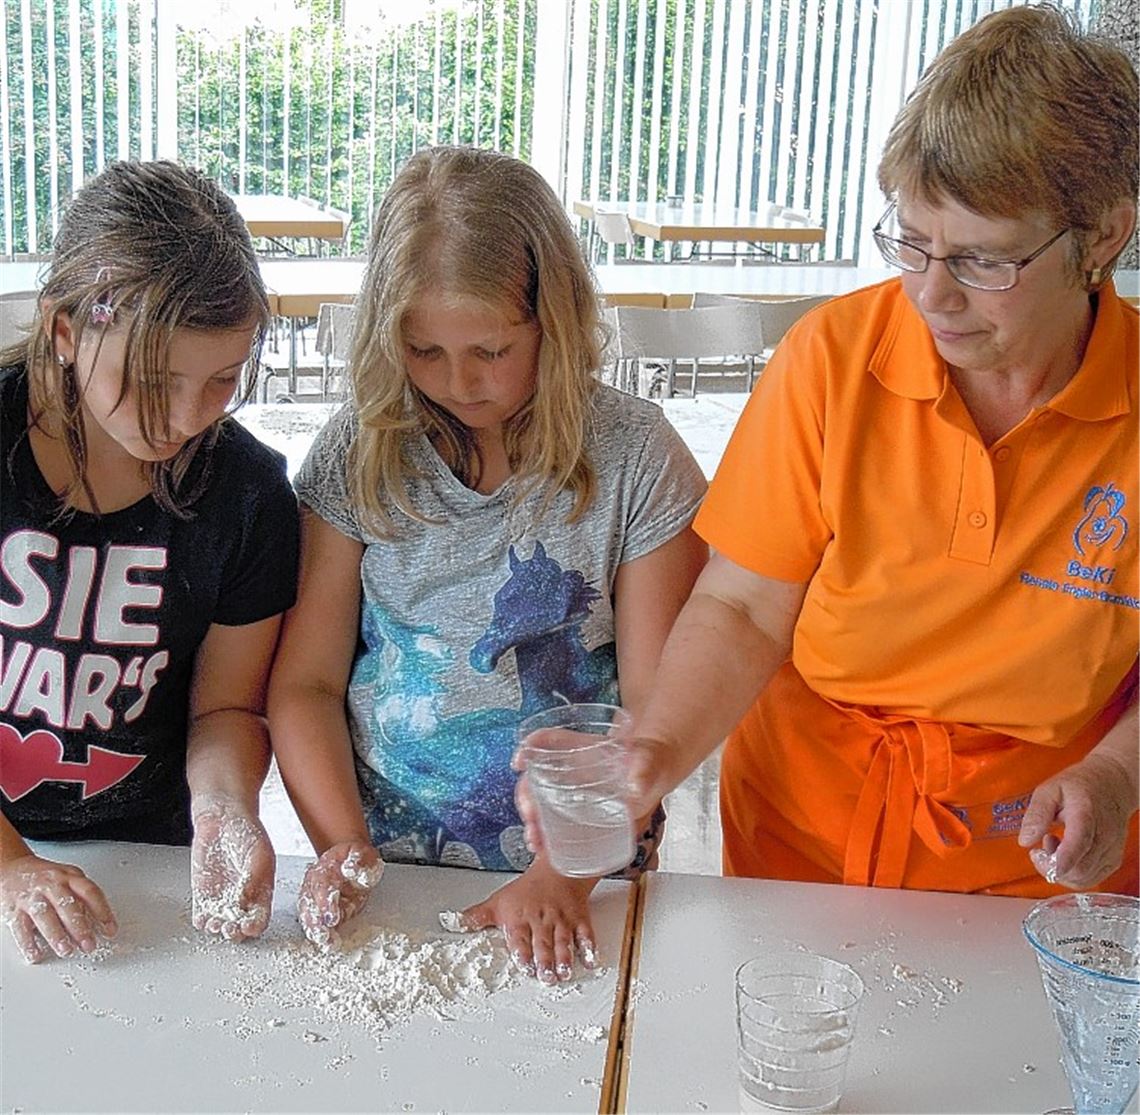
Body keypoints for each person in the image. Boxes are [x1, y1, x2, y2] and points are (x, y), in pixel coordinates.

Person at [522, 3, 1139, 898]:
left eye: (982, 261)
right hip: (805, 836)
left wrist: (1117, 776)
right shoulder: (833, 359)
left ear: (1104, 238)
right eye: (913, 243)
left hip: (1045, 861)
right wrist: (654, 747)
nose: (933, 295)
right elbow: (742, 608)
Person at [267, 144, 708, 979]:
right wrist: (342, 848)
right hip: (387, 865)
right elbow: (306, 686)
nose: (457, 382)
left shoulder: (637, 458)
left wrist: (562, 871)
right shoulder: (361, 451)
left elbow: (655, 713)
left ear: (558, 319)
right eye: (424, 352)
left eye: (492, 351)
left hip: (584, 877)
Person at [0, 160, 300, 963]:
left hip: (148, 852)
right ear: (65, 331)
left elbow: (225, 708)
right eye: (154, 382)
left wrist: (225, 809)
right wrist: (11, 866)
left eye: (222, 381)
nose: (186, 418)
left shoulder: (247, 494)